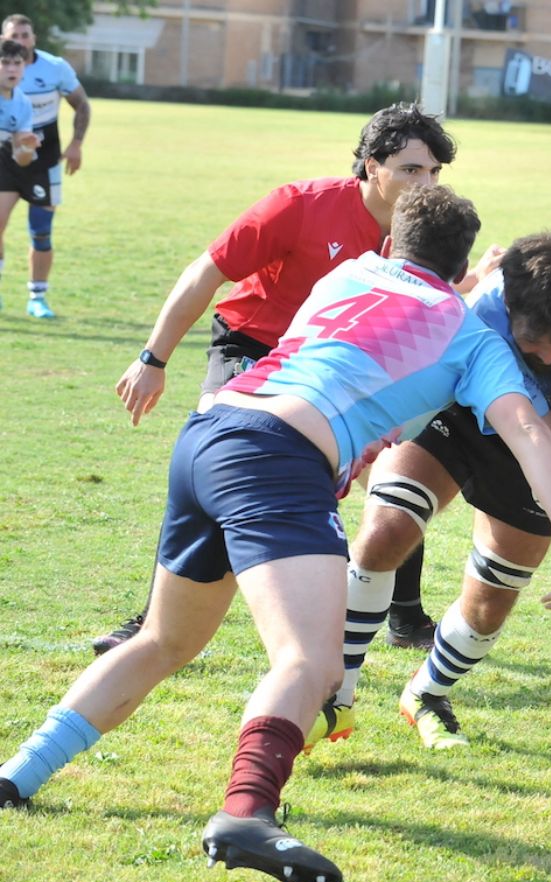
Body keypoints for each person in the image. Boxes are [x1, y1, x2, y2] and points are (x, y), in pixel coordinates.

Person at [0, 186, 551, 882]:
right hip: (277, 461)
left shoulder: (347, 276)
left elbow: (402, 312)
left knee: (164, 641)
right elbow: (528, 430)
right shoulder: (472, 338)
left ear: (390, 242)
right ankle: (247, 814)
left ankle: (16, 775)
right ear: (464, 258)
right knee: (310, 663)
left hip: (210, 436)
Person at [94, 102, 459, 655]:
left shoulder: (421, 232)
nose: (425, 183)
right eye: (411, 169)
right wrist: (152, 359)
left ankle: (405, 615)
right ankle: (153, 623)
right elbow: (207, 271)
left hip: (336, 362)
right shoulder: (299, 205)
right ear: (370, 165)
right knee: (228, 456)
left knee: (396, 478)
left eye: (433, 172)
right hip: (254, 342)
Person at [305, 232, 551, 752]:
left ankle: (426, 694)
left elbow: (546, 442)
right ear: (507, 305)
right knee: (383, 534)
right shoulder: (472, 313)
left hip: (528, 448)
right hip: (461, 415)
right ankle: (337, 700)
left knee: (489, 604)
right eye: (536, 341)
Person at [0, 15, 91, 319]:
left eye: (25, 35)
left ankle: (37, 297)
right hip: (4, 161)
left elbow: (81, 103)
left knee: (41, 232)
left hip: (43, 160)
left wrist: (76, 143)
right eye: (15, 35)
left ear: (34, 38)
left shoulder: (54, 68)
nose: (21, 41)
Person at [0, 37, 43, 309]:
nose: (11, 69)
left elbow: (21, 160)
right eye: (5, 63)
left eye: (17, 63)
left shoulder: (23, 103)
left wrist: (27, 147)